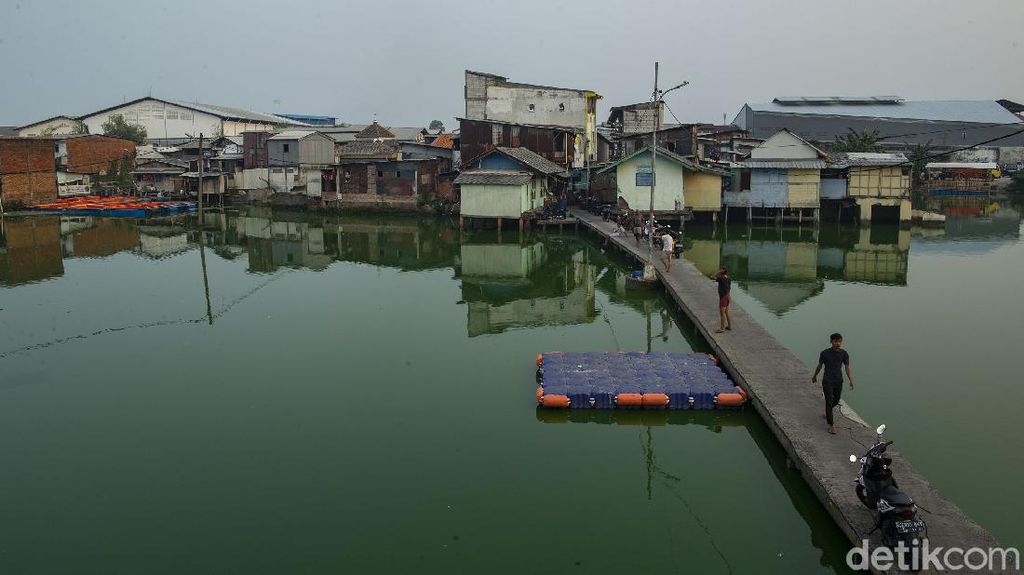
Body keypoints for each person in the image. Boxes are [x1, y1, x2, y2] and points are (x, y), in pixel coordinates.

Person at [811, 333, 854, 435]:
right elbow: (820, 366)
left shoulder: (844, 354)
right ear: (831, 341)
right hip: (827, 380)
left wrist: (851, 380)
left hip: (838, 380)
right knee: (829, 402)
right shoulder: (825, 353)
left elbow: (847, 367)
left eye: (839, 341)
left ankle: (827, 412)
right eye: (835, 341)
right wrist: (815, 376)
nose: (838, 343)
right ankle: (831, 424)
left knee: (836, 399)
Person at [712, 266, 731, 333]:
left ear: (721, 272)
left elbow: (713, 276)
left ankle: (722, 328)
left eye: (720, 270)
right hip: (728, 296)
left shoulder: (721, 278)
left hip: (723, 297)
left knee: (722, 313)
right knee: (726, 312)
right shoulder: (728, 278)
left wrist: (718, 272)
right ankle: (729, 326)